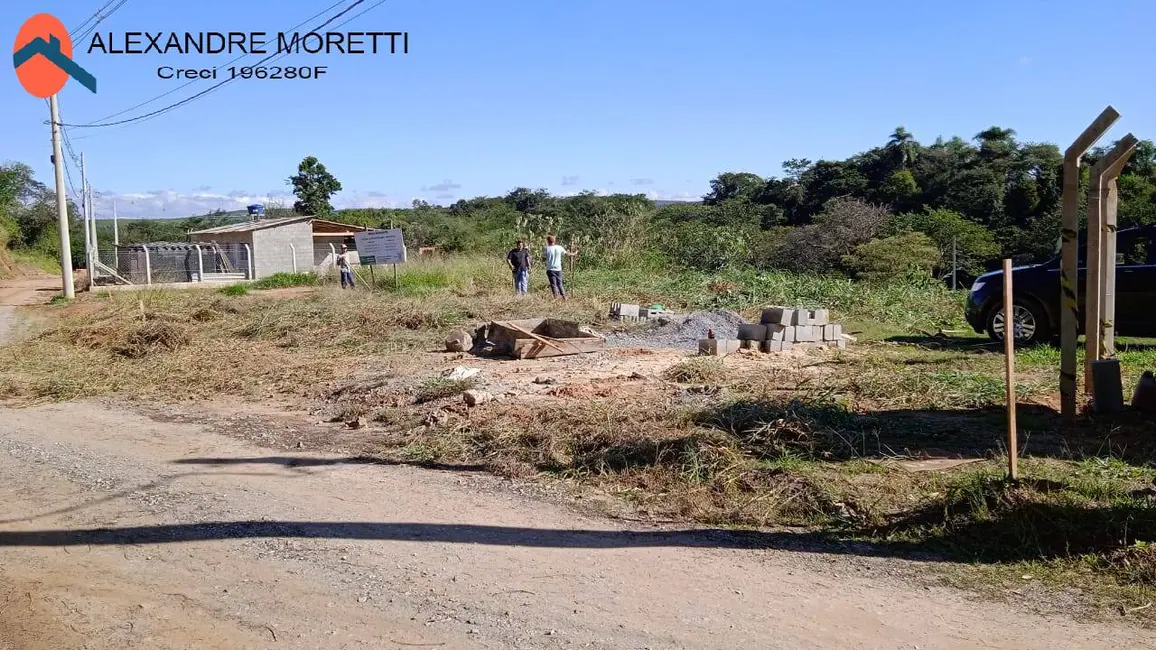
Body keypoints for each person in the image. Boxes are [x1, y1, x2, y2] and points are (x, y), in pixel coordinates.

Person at [543, 234, 577, 300]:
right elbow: (568, 254)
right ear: (554, 240)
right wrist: (574, 253)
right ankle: (564, 296)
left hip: (550, 269)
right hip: (558, 269)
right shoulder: (559, 247)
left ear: (548, 241)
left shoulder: (547, 249)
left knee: (553, 284)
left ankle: (556, 297)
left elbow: (544, 256)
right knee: (560, 283)